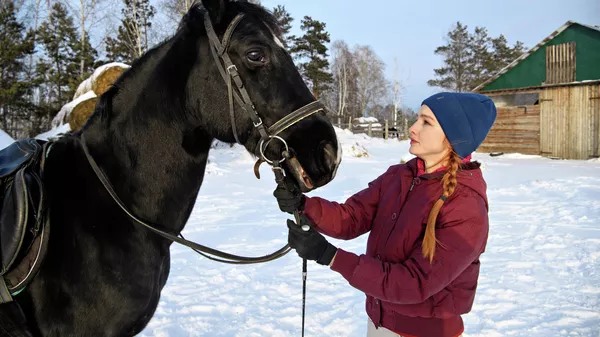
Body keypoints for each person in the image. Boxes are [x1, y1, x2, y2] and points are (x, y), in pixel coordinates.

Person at [274, 92, 497, 337]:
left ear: (454, 138)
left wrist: (330, 256)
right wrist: (304, 204)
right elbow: (351, 217)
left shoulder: (465, 206)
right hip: (380, 322)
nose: (412, 128)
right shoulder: (399, 176)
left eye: (426, 122)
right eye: (417, 119)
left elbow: (414, 282)